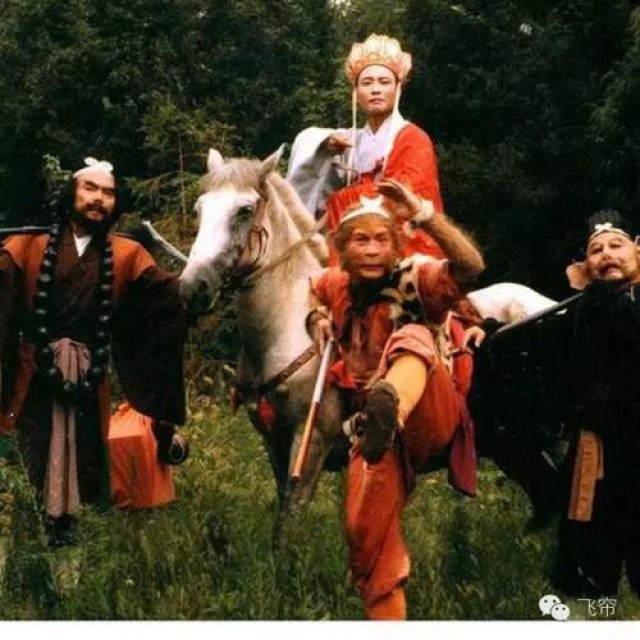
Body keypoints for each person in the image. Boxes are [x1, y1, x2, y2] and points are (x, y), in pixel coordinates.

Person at [306, 178, 485, 619]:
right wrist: (317, 318)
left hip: (429, 413)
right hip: (374, 435)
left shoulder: (416, 277)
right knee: (363, 531)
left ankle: (392, 406)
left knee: (413, 335)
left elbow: (470, 267)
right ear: (342, 249)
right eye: (360, 240)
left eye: (381, 240)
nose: (371, 250)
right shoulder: (337, 284)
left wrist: (423, 215)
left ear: (396, 247)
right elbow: (312, 285)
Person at [0, 157, 188, 545]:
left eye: (108, 193)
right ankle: (27, 556)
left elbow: (168, 300)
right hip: (33, 377)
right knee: (30, 463)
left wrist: (208, 280)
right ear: (71, 193)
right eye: (90, 188)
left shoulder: (127, 254)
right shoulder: (27, 245)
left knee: (89, 463)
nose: (98, 198)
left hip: (90, 379)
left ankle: (80, 556)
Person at [287, 33, 446, 263]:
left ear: (397, 89)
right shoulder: (350, 141)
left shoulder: (413, 138)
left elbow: (407, 198)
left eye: (384, 82)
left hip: (398, 251)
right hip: (351, 246)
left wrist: (343, 199)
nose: (375, 89)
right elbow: (306, 144)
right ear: (356, 93)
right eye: (367, 82)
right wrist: (325, 145)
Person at [553, 210, 640, 598]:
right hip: (597, 455)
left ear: (638, 251)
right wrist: (482, 330)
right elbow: (545, 349)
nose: (607, 254)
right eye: (596, 250)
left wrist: (594, 292)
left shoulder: (598, 301)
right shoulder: (583, 308)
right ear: (584, 265)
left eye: (616, 245)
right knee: (587, 578)